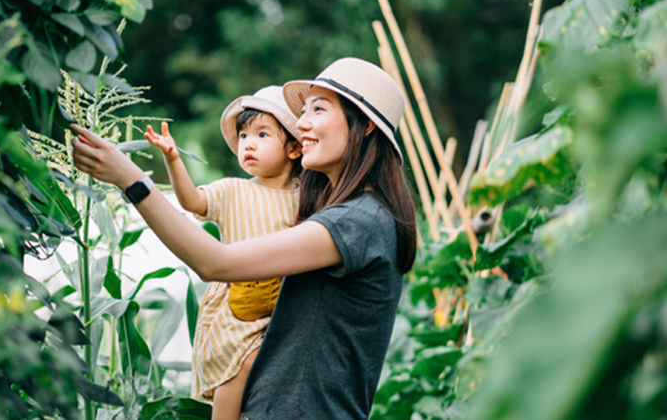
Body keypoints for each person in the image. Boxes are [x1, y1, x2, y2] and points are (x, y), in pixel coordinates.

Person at [69, 58, 418, 420]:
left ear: (366, 127)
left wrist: (133, 181)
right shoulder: (355, 214)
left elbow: (216, 263)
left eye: (318, 108)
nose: (302, 123)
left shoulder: (357, 221)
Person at [142, 86, 302, 420]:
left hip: (282, 307)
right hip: (235, 309)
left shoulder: (306, 199)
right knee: (238, 367)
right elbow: (192, 202)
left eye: (262, 134)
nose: (249, 143)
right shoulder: (232, 190)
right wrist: (173, 159)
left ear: (293, 148)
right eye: (243, 136)